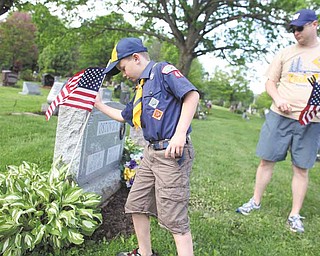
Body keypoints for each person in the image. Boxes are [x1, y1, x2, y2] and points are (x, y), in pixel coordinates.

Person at [94, 37, 199, 256]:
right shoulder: (141, 88)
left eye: (123, 68)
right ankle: (145, 253)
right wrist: (100, 105)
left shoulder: (162, 71)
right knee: (136, 203)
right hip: (151, 154)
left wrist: (180, 134)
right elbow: (125, 116)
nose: (124, 74)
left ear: (136, 58)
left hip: (172, 154)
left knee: (174, 218)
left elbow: (191, 95)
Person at [236, 9, 320, 233]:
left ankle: (294, 215)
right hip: (279, 117)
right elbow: (270, 83)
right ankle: (255, 201)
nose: (296, 33)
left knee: (301, 168)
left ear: (315, 25)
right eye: (293, 29)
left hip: (311, 121)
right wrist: (279, 98)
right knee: (266, 160)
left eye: (300, 28)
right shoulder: (285, 53)